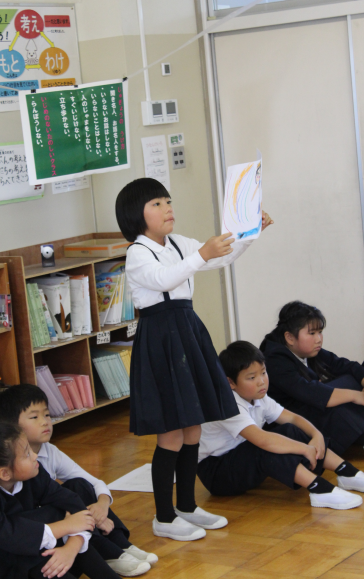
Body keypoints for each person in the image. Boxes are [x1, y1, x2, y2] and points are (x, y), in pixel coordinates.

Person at [115, 177, 273, 541]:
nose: (167, 208)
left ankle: (186, 506)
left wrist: (249, 234)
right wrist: (202, 253)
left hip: (187, 331)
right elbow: (164, 278)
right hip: (161, 338)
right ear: (135, 214)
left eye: (168, 201)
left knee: (193, 427)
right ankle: (163, 517)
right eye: (157, 203)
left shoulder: (178, 243)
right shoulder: (138, 252)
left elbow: (221, 257)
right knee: (171, 432)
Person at [0, 384, 156, 577]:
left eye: (47, 415)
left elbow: (92, 483)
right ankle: (108, 552)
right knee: (69, 506)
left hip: (67, 524)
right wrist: (82, 518)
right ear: (11, 427)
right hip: (46, 532)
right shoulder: (8, 466)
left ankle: (121, 546)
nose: (45, 422)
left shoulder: (49, 451)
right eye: (34, 417)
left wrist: (102, 506)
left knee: (78, 485)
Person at [197, 341, 364, 509]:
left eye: (263, 372)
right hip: (217, 473)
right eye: (252, 377)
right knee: (266, 447)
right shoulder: (227, 404)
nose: (261, 381)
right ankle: (319, 489)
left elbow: (292, 419)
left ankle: (347, 472)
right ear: (230, 383)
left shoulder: (259, 397)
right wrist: (304, 449)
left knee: (289, 430)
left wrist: (316, 435)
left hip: (240, 458)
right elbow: (263, 440)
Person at [0, 420, 124, 579]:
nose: (35, 456)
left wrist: (71, 548)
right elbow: (8, 535)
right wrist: (66, 525)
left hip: (26, 551)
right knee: (41, 530)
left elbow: (72, 503)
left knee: (59, 510)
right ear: (4, 473)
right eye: (27, 454)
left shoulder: (34, 471)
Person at [260, 301, 364, 456]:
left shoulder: (308, 349)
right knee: (340, 406)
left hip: (310, 405)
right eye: (312, 333)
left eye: (320, 332)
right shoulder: (275, 359)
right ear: (289, 337)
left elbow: (346, 365)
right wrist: (356, 396)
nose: (318, 339)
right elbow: (311, 393)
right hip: (291, 421)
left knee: (352, 380)